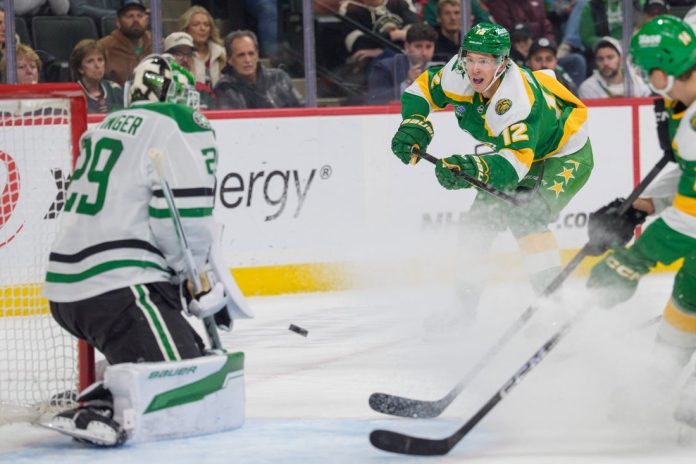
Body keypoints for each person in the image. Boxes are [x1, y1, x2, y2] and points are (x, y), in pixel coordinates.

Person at [43, 54, 247, 446]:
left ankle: (110, 379)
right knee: (187, 379)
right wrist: (193, 277)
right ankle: (104, 404)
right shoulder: (176, 121)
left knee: (188, 351)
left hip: (68, 289)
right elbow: (181, 217)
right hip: (120, 287)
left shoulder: (108, 125)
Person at [391, 22, 593, 317]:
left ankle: (553, 307)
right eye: (470, 58)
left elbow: (513, 167)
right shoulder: (459, 71)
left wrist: (469, 167)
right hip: (520, 151)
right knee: (477, 224)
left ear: (503, 63)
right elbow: (420, 90)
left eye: (484, 61)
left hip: (562, 153)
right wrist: (414, 122)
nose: (474, 69)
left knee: (526, 216)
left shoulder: (518, 101)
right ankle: (463, 309)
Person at [585, 15, 696, 435]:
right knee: (690, 289)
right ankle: (658, 381)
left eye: (648, 71)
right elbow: (690, 175)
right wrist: (640, 205)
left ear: (664, 71)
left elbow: (691, 219)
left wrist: (632, 261)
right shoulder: (685, 108)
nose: (647, 80)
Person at [214, 30, 301, 110]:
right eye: (241, 55)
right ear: (230, 60)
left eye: (251, 54)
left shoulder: (279, 77)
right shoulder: (224, 88)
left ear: (257, 55)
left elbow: (302, 109)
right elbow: (232, 120)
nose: (247, 60)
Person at [368, 23, 438, 104]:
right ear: (407, 46)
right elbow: (375, 99)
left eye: (428, 47)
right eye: (418, 46)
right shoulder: (385, 67)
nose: (424, 53)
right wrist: (407, 83)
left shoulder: (440, 68)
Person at [98, 0, 152, 86]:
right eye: (130, 16)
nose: (136, 20)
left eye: (140, 16)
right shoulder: (104, 47)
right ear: (118, 22)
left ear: (147, 20)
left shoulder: (156, 43)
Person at [578, 36, 651, 99]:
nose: (605, 63)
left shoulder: (639, 83)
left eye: (610, 57)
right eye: (600, 59)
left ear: (621, 59)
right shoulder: (588, 88)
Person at [178, 5, 226, 91]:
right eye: (196, 25)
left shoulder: (221, 54)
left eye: (206, 25)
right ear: (186, 29)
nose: (202, 28)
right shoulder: (179, 56)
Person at [70, 38, 123, 113]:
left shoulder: (115, 90)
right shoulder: (72, 95)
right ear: (80, 68)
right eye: (90, 61)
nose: (97, 65)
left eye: (100, 60)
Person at [163, 31, 214, 109]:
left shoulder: (204, 91)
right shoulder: (158, 88)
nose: (185, 59)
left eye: (189, 54)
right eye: (179, 54)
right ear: (166, 56)